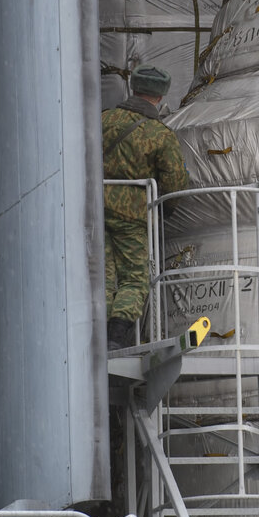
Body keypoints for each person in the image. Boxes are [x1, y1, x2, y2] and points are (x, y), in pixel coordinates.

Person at [102, 65, 189, 350]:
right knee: (134, 279)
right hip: (133, 216)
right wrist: (166, 209)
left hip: (91, 210)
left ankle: (92, 334)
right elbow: (175, 180)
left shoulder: (101, 121)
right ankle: (115, 338)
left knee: (99, 275)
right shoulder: (160, 135)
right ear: (161, 96)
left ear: (133, 89)